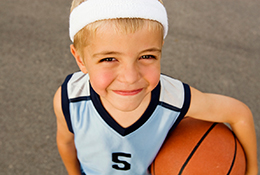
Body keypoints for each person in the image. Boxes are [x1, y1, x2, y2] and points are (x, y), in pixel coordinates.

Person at [53, 0, 258, 174]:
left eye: (147, 56)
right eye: (109, 59)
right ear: (80, 59)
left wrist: (252, 170)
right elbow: (66, 143)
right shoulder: (69, 98)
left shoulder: (173, 98)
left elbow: (238, 113)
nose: (131, 77)